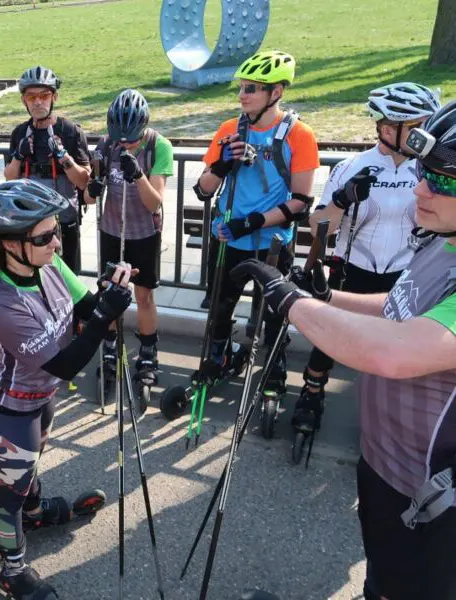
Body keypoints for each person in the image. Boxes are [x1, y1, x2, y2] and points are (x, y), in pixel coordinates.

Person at [229, 101, 456, 600]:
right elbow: (400, 306)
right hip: (383, 462)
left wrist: (290, 302)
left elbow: (392, 352)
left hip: (428, 491)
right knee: (380, 581)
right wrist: (326, 298)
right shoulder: (446, 241)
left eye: (443, 181)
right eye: (425, 174)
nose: (421, 189)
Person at [0, 179, 134, 598]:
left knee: (30, 468)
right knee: (10, 491)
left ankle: (34, 509)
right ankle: (11, 567)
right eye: (45, 237)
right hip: (11, 408)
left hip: (42, 396)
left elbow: (86, 310)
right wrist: (104, 317)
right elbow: (66, 363)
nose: (57, 244)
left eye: (57, 231)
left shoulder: (48, 266)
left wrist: (108, 295)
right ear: (10, 245)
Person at [293, 82, 440, 441]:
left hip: (408, 274)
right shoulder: (351, 167)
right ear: (389, 129)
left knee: (401, 348)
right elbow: (317, 227)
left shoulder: (430, 172)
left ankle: (394, 412)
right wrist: (342, 199)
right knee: (331, 336)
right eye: (419, 127)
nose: (427, 135)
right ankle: (311, 393)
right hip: (354, 268)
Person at [192, 50, 319, 393]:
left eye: (251, 88)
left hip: (271, 245)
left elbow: (301, 202)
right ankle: (220, 356)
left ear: (275, 93)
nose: (242, 94)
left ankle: (274, 367)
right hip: (228, 240)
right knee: (219, 308)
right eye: (242, 87)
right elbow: (203, 191)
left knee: (275, 314)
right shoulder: (229, 129)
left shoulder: (299, 135)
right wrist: (220, 165)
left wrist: (250, 223)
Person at [83, 89, 173, 396]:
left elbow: (154, 202)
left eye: (131, 140)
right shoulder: (106, 145)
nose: (125, 145)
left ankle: (148, 353)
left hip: (144, 234)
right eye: (120, 139)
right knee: (110, 293)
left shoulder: (159, 146)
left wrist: (138, 175)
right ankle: (110, 347)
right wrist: (93, 187)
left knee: (144, 296)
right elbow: (88, 197)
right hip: (112, 231)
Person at [4, 66, 91, 275]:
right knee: (34, 274)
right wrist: (18, 155)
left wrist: (64, 157)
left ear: (55, 97)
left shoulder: (70, 131)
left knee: (69, 276)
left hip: (65, 220)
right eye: (31, 97)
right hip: (31, 223)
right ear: (23, 100)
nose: (38, 102)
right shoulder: (19, 133)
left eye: (44, 95)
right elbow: (9, 177)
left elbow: (83, 181)